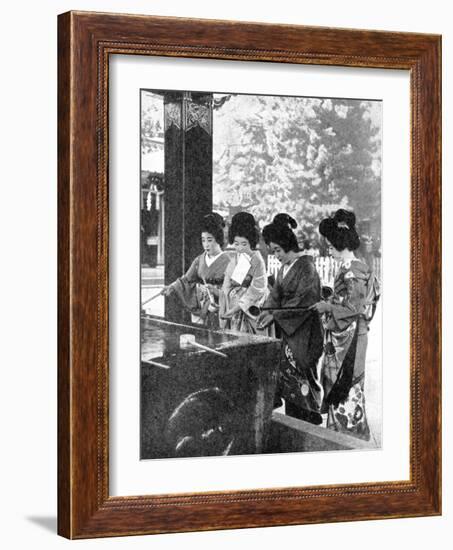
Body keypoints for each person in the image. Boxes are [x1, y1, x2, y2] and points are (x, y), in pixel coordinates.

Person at [311, 209, 380, 440]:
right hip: (343, 334)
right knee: (338, 382)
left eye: (330, 247)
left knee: (348, 384)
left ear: (340, 244)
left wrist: (328, 307)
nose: (329, 252)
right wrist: (330, 301)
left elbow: (354, 308)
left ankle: (350, 436)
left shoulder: (354, 270)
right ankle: (338, 432)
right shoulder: (349, 268)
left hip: (351, 337)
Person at [258, 214, 324, 424]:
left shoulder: (307, 268)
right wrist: (266, 311)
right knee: (288, 378)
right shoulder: (283, 269)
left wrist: (275, 314)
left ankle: (310, 422)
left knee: (302, 373)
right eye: (273, 251)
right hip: (287, 330)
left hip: (304, 330)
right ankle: (294, 422)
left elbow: (305, 301)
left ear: (288, 245)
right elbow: (274, 296)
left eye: (278, 250)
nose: (275, 255)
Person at [161, 213, 231, 328]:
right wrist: (171, 287)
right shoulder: (199, 260)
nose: (206, 245)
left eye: (209, 240)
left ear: (218, 239)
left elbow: (233, 290)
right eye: (203, 240)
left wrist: (216, 291)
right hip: (202, 308)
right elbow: (185, 280)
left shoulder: (228, 261)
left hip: (220, 308)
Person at [219, 212, 268, 334]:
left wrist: (235, 308)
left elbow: (258, 288)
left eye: (244, 244)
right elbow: (228, 284)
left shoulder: (257, 259)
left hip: (251, 309)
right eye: (236, 244)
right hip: (234, 307)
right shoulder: (237, 257)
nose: (240, 248)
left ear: (251, 241)